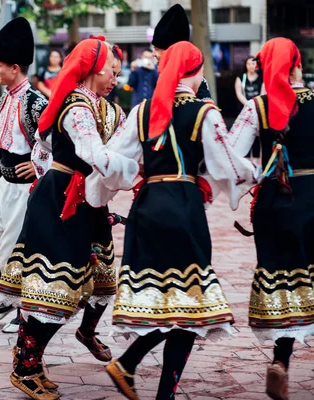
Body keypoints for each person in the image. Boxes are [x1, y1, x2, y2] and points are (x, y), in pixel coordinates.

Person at [104, 41, 259, 400]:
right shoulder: (204, 113)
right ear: (196, 71)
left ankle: (132, 367)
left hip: (146, 208)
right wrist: (257, 174)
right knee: (194, 308)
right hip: (182, 208)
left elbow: (115, 160)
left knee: (159, 301)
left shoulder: (143, 110)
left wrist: (107, 189)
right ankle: (150, 382)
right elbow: (227, 165)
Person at [0, 38, 138, 400]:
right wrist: (133, 175)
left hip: (87, 203)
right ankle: (25, 366)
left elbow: (121, 146)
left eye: (119, 75)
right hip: (61, 201)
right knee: (56, 289)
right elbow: (88, 154)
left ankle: (30, 357)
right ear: (93, 69)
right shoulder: (74, 106)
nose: (115, 80)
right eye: (111, 72)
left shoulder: (109, 109)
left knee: (96, 286)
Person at [228, 38, 312, 400]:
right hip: (313, 195)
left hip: (275, 203)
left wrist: (257, 174)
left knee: (282, 280)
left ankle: (281, 361)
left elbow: (232, 157)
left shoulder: (255, 107)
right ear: (296, 64)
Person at [0, 17, 48, 334]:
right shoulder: (6, 97)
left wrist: (40, 164)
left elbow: (60, 142)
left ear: (15, 68)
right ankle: (9, 298)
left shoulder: (36, 102)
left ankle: (22, 312)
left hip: (26, 191)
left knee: (12, 255)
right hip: (5, 186)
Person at [151, 4, 213, 103]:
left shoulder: (198, 82)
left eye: (157, 49)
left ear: (171, 52)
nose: (152, 54)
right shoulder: (159, 74)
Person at [234, 56, 264, 159]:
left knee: (256, 134)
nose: (251, 66)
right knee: (243, 134)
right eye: (249, 64)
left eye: (253, 63)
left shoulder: (261, 78)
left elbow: (262, 93)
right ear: (245, 65)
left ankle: (256, 160)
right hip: (244, 110)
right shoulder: (241, 77)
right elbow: (239, 93)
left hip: (258, 110)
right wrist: (248, 104)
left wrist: (255, 105)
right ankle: (243, 158)